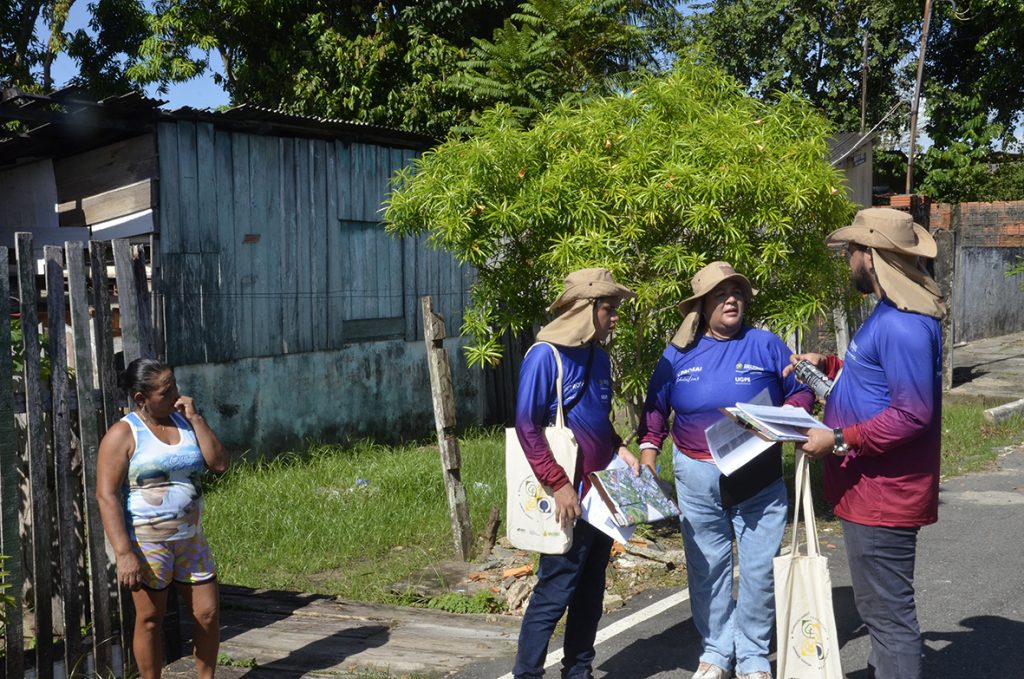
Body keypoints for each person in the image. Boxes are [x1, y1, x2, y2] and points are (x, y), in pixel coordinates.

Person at [787, 207, 945, 679]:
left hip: (884, 497)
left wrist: (837, 437)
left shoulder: (903, 325)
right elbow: (878, 379)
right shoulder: (888, 312)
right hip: (868, 491)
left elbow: (912, 413)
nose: (848, 258)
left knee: (888, 616)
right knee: (879, 610)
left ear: (871, 257)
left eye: (853, 250)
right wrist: (830, 365)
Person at [637, 261, 813, 679]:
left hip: (759, 478)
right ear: (701, 306)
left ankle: (752, 656)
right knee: (707, 567)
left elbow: (801, 389)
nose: (731, 299)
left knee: (758, 569)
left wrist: (789, 413)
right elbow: (655, 410)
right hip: (696, 478)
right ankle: (716, 652)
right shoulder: (677, 353)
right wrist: (648, 457)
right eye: (720, 294)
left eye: (737, 292)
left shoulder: (767, 345)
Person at [513, 268, 638, 679]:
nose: (615, 317)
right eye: (609, 308)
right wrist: (559, 484)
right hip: (568, 499)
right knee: (554, 593)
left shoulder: (599, 358)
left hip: (602, 497)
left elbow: (598, 421)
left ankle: (579, 671)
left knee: (590, 592)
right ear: (586, 310)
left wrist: (620, 447)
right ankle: (527, 674)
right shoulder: (543, 356)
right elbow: (527, 426)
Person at [96, 358, 229, 679]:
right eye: (166, 392)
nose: (176, 395)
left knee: (208, 614)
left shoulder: (185, 421)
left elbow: (219, 464)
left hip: (191, 539)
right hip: (147, 544)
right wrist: (124, 553)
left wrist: (195, 418)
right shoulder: (123, 434)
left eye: (175, 386)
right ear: (141, 398)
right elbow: (107, 495)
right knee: (150, 620)